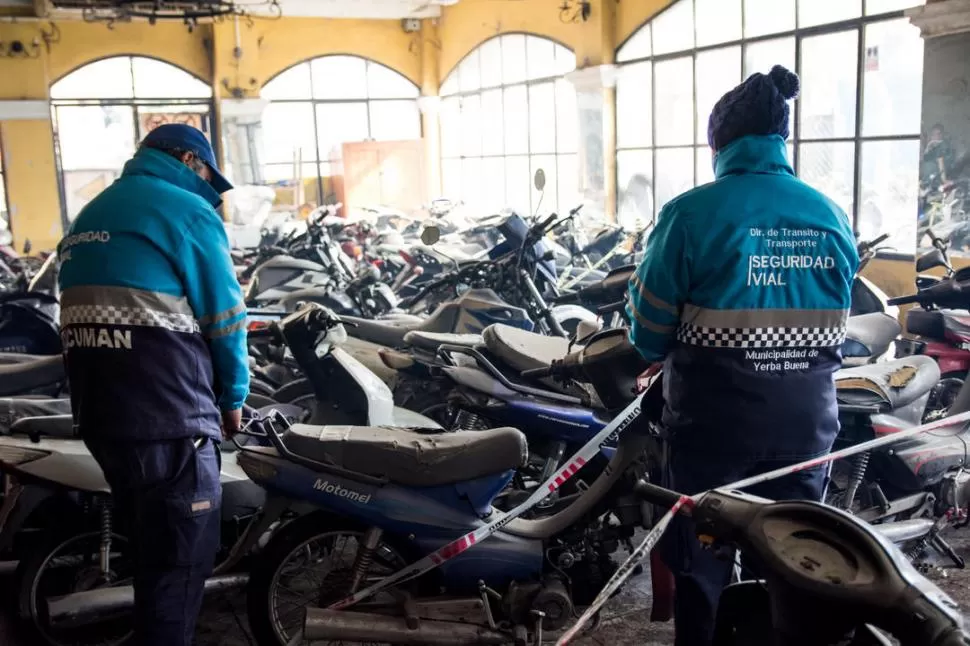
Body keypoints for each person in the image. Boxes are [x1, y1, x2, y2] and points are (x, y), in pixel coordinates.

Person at [626, 65, 858, 646]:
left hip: (713, 431)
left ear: (719, 143)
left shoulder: (690, 213)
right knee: (793, 562)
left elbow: (649, 336)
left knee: (702, 568)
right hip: (806, 428)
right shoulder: (830, 214)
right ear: (782, 140)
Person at [57, 123, 250, 646]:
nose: (209, 190)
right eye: (208, 176)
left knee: (149, 555)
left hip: (103, 418)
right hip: (168, 419)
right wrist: (233, 400)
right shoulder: (187, 212)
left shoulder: (92, 213)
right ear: (189, 160)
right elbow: (227, 319)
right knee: (179, 566)